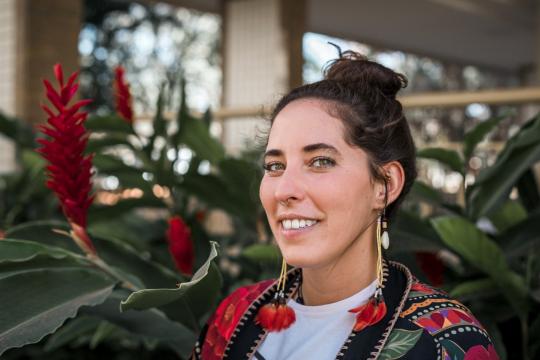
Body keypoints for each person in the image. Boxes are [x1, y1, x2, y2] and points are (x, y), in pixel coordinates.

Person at [191, 51, 499, 360]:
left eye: (320, 161)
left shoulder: (443, 341)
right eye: (274, 166)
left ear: (385, 185)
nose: (284, 189)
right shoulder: (235, 316)